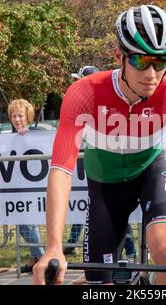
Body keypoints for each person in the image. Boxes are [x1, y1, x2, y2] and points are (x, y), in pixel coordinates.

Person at [33, 5, 166, 285]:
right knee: (99, 281)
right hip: (105, 184)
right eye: (141, 62)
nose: (152, 74)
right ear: (119, 56)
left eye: (161, 62)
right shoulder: (85, 93)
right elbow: (61, 169)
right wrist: (53, 247)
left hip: (149, 171)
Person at [64, 65, 137, 261]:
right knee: (100, 212)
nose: (76, 84)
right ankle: (75, 244)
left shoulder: (106, 100)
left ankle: (130, 251)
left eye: (79, 80)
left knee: (117, 212)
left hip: (120, 171)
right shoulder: (83, 100)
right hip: (99, 170)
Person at [7, 99, 45, 273]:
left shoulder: (37, 132)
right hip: (16, 186)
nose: (16, 119)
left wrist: (28, 136)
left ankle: (42, 258)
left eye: (20, 115)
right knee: (24, 224)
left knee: (28, 224)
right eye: (13, 115)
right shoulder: (8, 135)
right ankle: (35, 257)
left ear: (28, 116)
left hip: (34, 187)